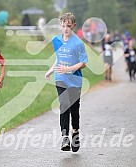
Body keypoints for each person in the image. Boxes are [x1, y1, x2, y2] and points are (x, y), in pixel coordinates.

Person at [45, 13, 88, 152]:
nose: (66, 29)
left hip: (75, 80)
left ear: (73, 26)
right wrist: (51, 70)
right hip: (60, 78)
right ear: (60, 26)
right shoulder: (56, 40)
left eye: (68, 26)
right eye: (63, 26)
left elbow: (83, 63)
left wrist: (68, 69)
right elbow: (59, 58)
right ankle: (65, 137)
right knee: (64, 105)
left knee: (74, 109)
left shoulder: (78, 43)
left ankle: (75, 132)